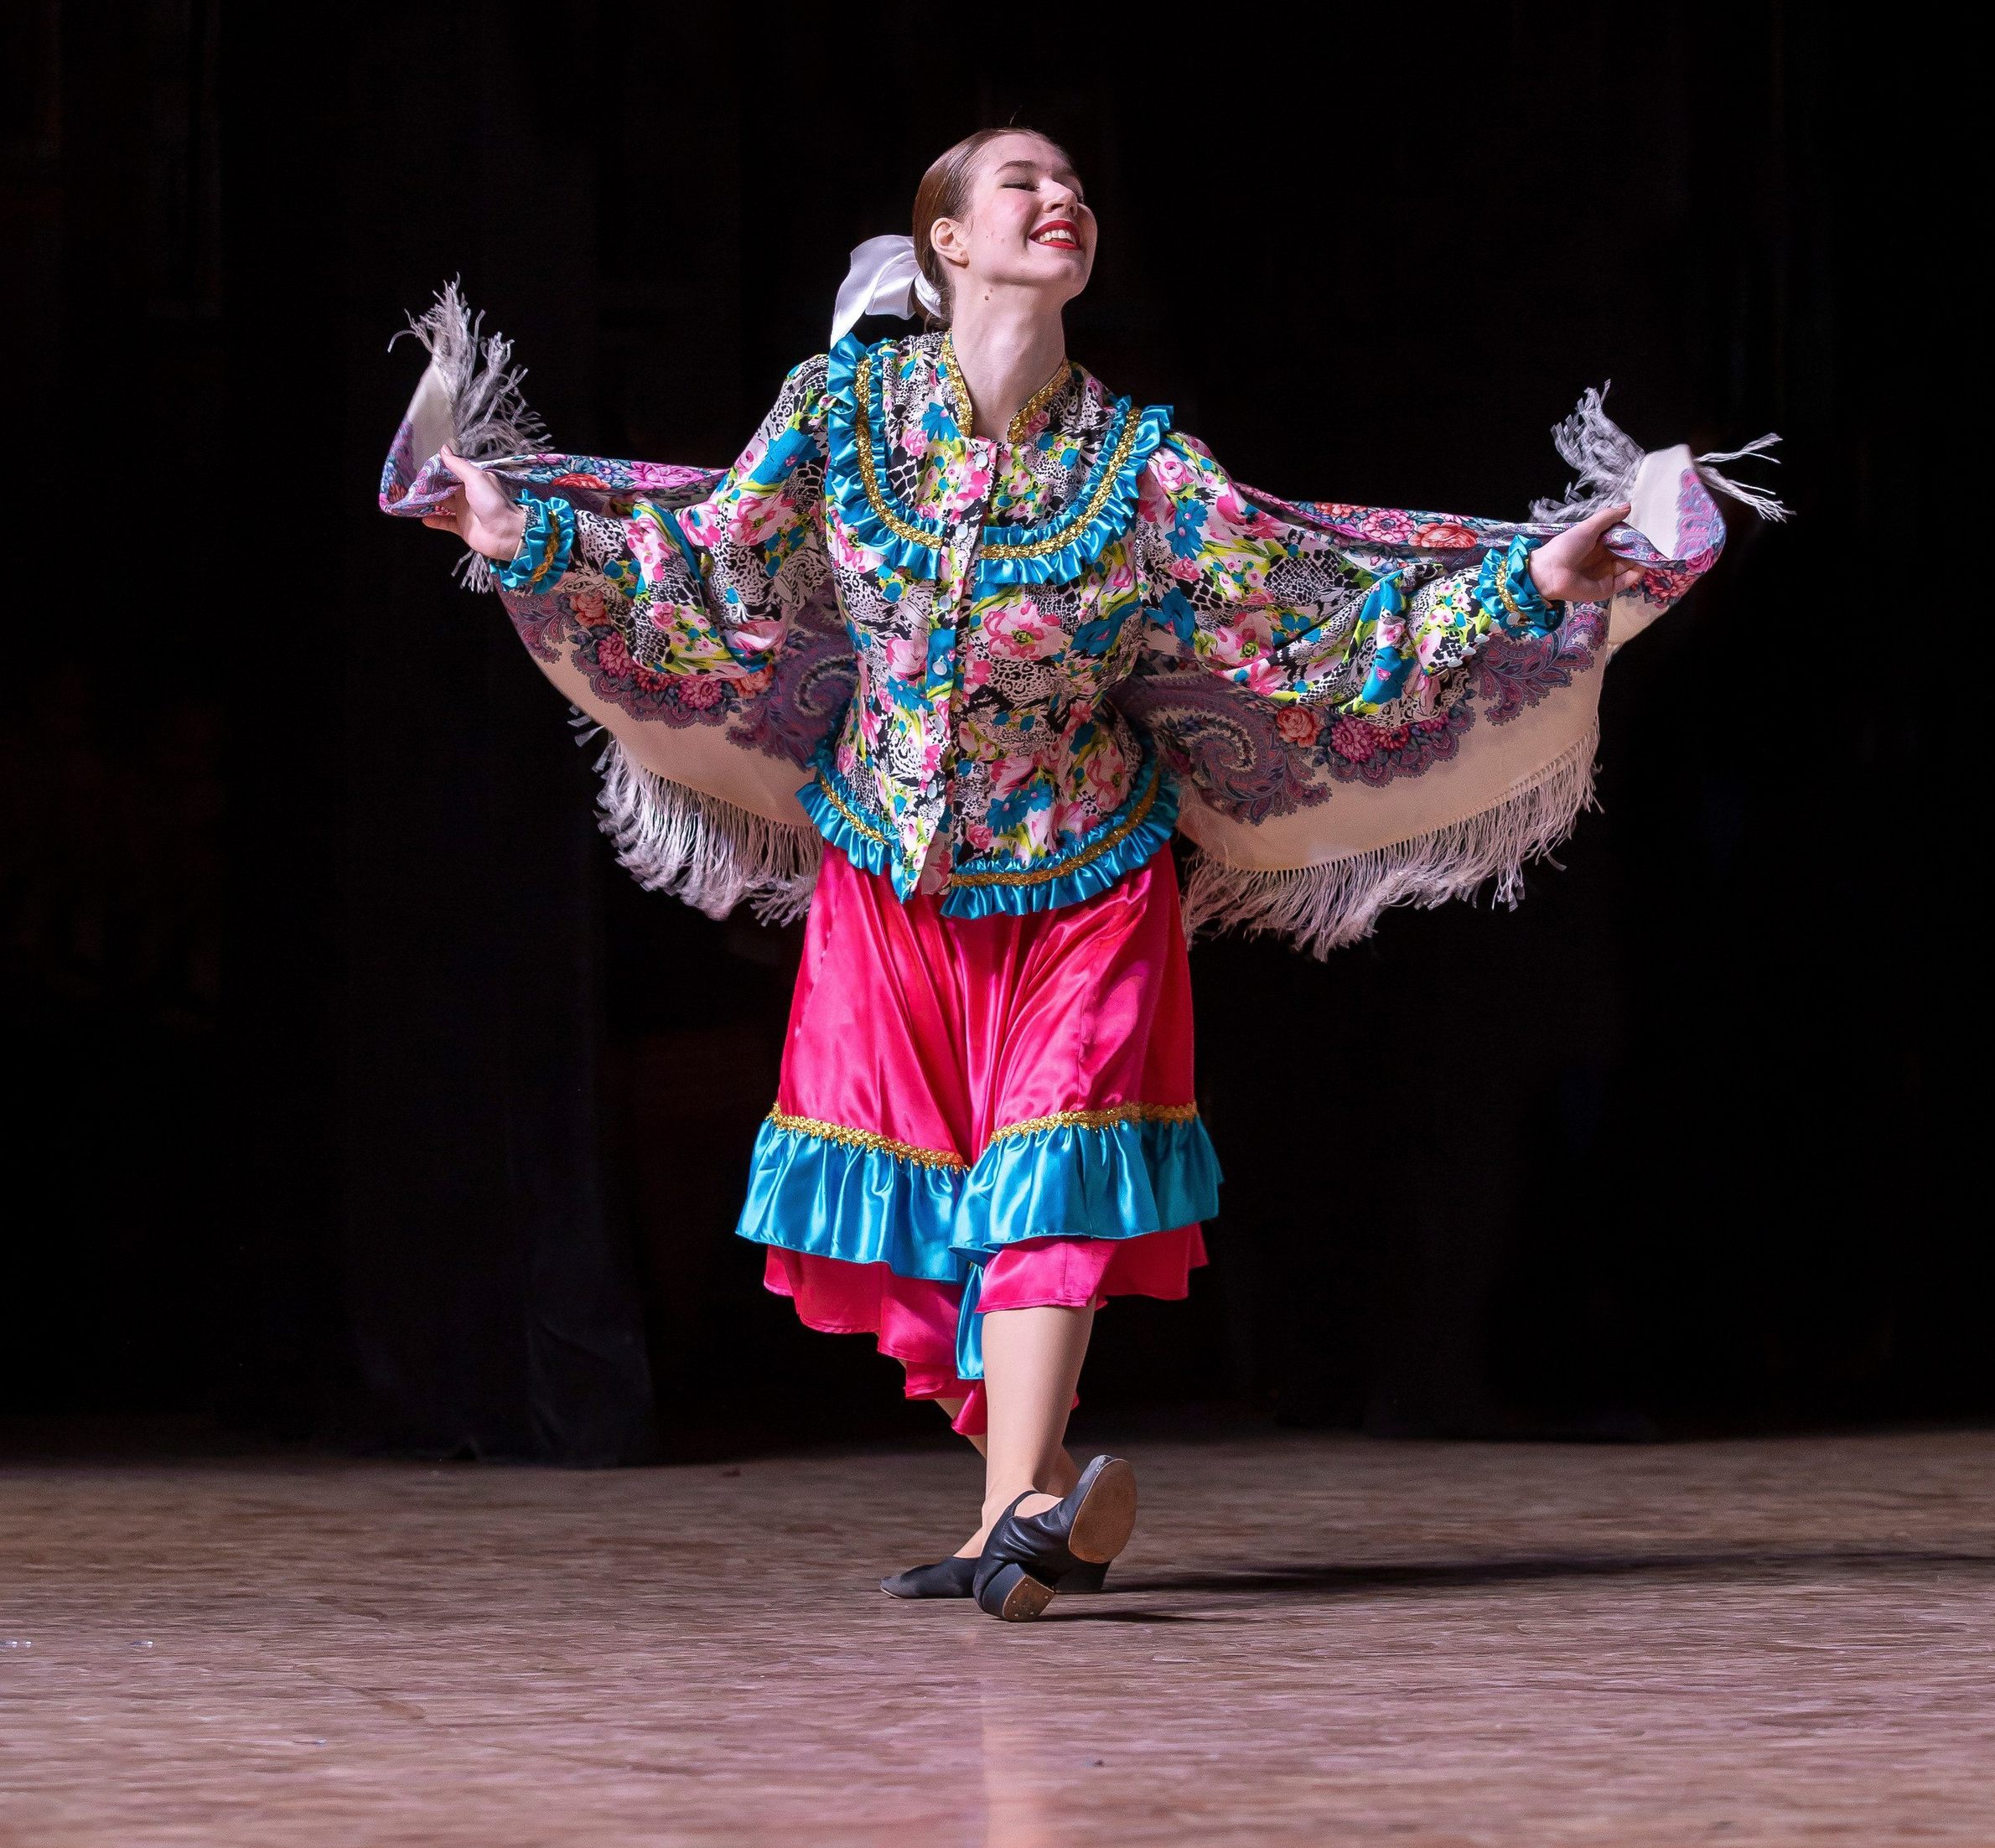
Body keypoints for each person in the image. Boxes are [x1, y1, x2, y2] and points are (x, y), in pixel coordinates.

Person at [388, 126, 1774, 1618]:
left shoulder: (1147, 466)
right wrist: (529, 534)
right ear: (947, 241)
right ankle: (1034, 1506)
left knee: (1046, 1185)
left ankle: (1019, 1520)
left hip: (1087, 880)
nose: (1063, 201)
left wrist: (1530, 582)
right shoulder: (840, 411)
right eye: (1024, 184)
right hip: (889, 877)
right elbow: (713, 574)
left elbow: (1310, 624)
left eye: (1077, 190)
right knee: (924, 1217)